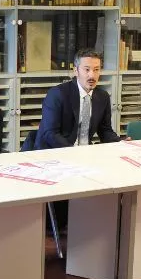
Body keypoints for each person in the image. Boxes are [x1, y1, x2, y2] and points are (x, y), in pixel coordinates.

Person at [35, 48, 122, 230]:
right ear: (75, 71)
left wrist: (120, 143)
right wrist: (75, 153)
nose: (92, 75)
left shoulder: (102, 97)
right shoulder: (58, 94)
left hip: (84, 154)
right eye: (87, 69)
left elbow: (105, 131)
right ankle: (63, 224)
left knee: (113, 176)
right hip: (54, 155)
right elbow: (50, 133)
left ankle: (96, 223)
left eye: (96, 70)